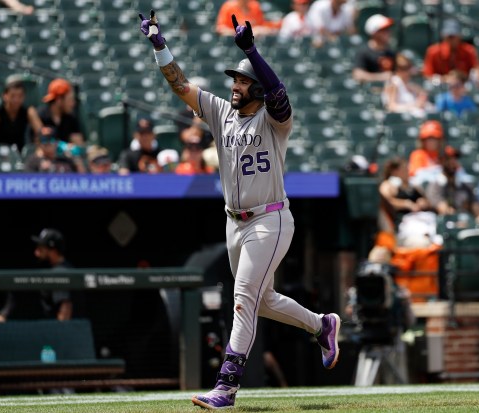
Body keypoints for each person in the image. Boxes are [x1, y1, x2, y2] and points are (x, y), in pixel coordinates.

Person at [139, 10, 340, 409]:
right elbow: (180, 85)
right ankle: (321, 325)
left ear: (258, 89)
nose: (236, 85)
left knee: (243, 298)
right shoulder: (221, 113)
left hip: (270, 218)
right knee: (261, 301)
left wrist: (252, 50)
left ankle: (226, 386)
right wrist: (159, 45)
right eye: (236, 78)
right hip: (235, 223)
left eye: (245, 81)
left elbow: (279, 92)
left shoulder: (275, 120)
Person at [0, 228, 73, 323]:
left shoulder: (60, 272)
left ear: (52, 250)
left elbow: (65, 308)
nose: (36, 252)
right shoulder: (57, 268)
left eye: (41, 248)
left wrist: (60, 334)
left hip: (64, 333)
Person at [379, 157, 435, 248]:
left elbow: (428, 202)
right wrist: (406, 204)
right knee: (424, 242)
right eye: (404, 169)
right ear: (395, 172)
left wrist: (423, 202)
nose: (407, 172)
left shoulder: (414, 185)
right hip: (404, 224)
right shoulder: (389, 185)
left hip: (423, 219)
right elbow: (386, 201)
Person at [0, 78, 43, 152]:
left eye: (20, 96)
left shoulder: (29, 112)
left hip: (21, 156)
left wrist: (38, 147)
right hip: (0, 155)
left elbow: (41, 133)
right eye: (13, 96)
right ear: (5, 96)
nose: (16, 100)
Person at [423, 19, 479, 86]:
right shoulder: (433, 51)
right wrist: (445, 79)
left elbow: (477, 70)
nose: (450, 40)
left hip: (463, 87)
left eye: (453, 37)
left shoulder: (469, 50)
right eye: (448, 37)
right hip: (441, 87)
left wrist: (477, 76)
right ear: (443, 36)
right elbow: (427, 75)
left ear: (459, 36)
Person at [425, 146, 479, 217]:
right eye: (448, 159)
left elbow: (476, 208)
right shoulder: (435, 186)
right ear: (441, 161)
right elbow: (443, 209)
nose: (452, 162)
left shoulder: (465, 186)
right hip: (445, 225)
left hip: (466, 223)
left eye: (455, 158)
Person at [381, 53, 432, 118]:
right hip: (400, 120)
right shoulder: (394, 82)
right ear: (397, 69)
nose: (408, 71)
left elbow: (423, 95)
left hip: (413, 118)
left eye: (408, 67)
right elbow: (391, 107)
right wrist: (414, 105)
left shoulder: (409, 84)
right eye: (404, 68)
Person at [38, 78, 84, 146]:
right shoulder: (40, 117)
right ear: (59, 100)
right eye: (70, 100)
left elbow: (79, 143)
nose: (73, 104)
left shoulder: (71, 119)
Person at [352, 14, 396, 83]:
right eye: (384, 30)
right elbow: (358, 75)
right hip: (371, 91)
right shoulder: (364, 51)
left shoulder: (390, 52)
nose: (388, 32)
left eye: (388, 29)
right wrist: (380, 77)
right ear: (375, 33)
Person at [216, 0, 281, 37]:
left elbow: (262, 25)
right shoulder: (228, 6)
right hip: (234, 42)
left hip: (255, 42)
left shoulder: (255, 5)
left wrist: (262, 30)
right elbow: (221, 29)